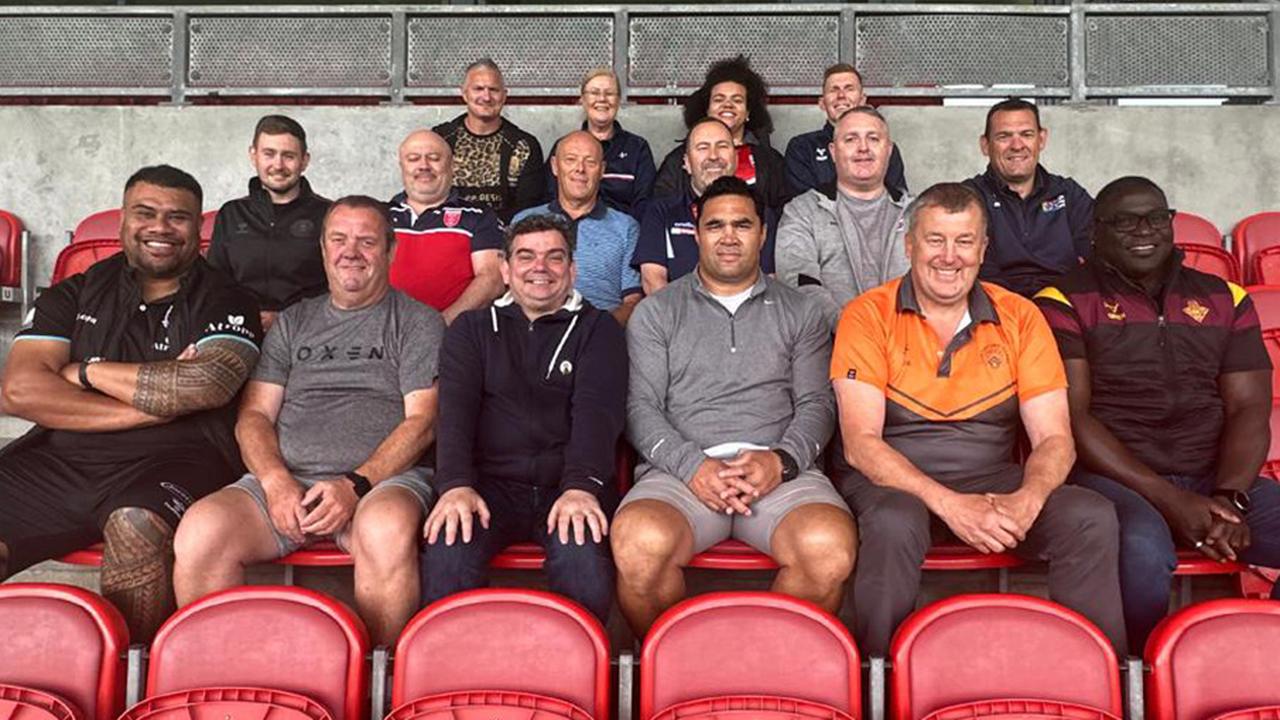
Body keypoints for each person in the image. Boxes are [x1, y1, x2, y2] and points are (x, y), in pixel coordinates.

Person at [830, 182, 1126, 657]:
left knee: (1089, 517)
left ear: (984, 248)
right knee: (894, 521)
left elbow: (1055, 438)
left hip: (991, 475)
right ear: (909, 244)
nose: (950, 257)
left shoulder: (1021, 317)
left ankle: (1094, 677)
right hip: (892, 478)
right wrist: (951, 505)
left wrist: (1030, 499)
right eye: (935, 240)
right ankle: (877, 675)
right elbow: (861, 444)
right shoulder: (867, 314)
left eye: (964, 241)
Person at [0, 165, 263, 641]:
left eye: (177, 217)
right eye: (145, 213)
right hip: (60, 458)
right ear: (123, 220)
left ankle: (130, 676)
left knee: (135, 524)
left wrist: (83, 372)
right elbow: (20, 391)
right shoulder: (74, 292)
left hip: (179, 458)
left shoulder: (227, 298)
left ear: (197, 230)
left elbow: (205, 385)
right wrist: (156, 403)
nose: (160, 227)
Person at [173, 196, 444, 646]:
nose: (350, 251)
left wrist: (355, 484)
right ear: (322, 250)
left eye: (367, 241)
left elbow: (422, 422)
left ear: (391, 251)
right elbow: (255, 415)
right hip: (287, 482)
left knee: (386, 530)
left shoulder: (418, 322)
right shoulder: (294, 322)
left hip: (381, 484)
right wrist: (276, 480)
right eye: (338, 239)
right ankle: (219, 682)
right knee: (201, 532)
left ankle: (382, 684)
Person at [1034, 176, 1280, 649]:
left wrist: (1229, 497)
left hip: (1213, 477)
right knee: (1142, 554)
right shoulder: (1062, 300)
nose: (1143, 231)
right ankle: (1141, 672)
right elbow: (1072, 417)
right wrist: (1170, 499)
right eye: (1124, 222)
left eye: (1155, 218)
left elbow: (1249, 406)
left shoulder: (1225, 298)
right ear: (1094, 233)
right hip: (1116, 479)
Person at [611, 176, 855, 637]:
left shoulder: (800, 310)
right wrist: (692, 466)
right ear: (697, 232)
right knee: (639, 544)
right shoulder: (657, 311)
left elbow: (816, 404)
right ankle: (684, 677)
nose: (728, 237)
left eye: (742, 225)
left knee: (828, 549)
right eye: (715, 225)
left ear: (763, 234)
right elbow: (639, 407)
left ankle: (760, 674)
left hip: (780, 472)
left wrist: (780, 462)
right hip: (680, 473)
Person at [421, 214, 626, 623]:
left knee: (582, 559)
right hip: (487, 487)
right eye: (526, 256)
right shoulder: (471, 329)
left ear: (572, 269)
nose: (540, 268)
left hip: (567, 484)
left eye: (554, 257)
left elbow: (597, 415)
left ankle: (579, 680)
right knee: (448, 551)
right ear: (505, 269)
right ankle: (450, 675)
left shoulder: (599, 328)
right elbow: (455, 415)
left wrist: (581, 487)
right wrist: (455, 485)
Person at [776, 107, 912, 331]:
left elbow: (932, 284)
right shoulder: (802, 211)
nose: (863, 148)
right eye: (850, 139)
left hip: (908, 348)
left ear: (888, 149)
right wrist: (853, 332)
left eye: (873, 138)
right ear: (833, 150)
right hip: (829, 349)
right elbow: (799, 284)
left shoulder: (918, 213)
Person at [207, 115, 330, 332]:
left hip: (308, 332)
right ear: (253, 156)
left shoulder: (329, 214)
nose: (278, 165)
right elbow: (215, 284)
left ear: (305, 161)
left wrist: (285, 320)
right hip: (239, 330)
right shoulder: (231, 213)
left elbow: (339, 287)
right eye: (269, 154)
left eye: (288, 156)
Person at [632, 118, 778, 295]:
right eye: (703, 148)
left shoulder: (760, 213)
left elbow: (768, 281)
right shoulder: (660, 212)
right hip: (677, 318)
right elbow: (653, 280)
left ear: (736, 157)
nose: (714, 156)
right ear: (686, 163)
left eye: (722, 146)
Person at [964, 98, 1093, 298]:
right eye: (1004, 136)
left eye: (1026, 134)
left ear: (1041, 140)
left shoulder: (1069, 194)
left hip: (1063, 304)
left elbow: (1093, 260)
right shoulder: (968, 198)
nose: (1017, 145)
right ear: (985, 145)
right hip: (995, 306)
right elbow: (974, 270)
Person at [516, 131, 642, 325]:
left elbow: (633, 301)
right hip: (532, 334)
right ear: (554, 166)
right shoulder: (524, 221)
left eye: (590, 162)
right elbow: (509, 291)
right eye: (571, 160)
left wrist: (594, 332)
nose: (580, 169)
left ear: (602, 170)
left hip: (599, 334)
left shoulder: (626, 228)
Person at [389, 129, 505, 324]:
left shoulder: (479, 217)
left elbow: (492, 279)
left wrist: (440, 325)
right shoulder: (379, 216)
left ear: (452, 165)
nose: (424, 165)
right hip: (386, 335)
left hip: (455, 334)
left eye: (434, 158)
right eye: (413, 158)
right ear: (402, 166)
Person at [651, 55, 792, 211]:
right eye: (719, 99)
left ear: (748, 112)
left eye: (737, 100)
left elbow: (784, 213)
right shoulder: (678, 159)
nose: (728, 105)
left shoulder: (770, 161)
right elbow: (661, 208)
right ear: (706, 109)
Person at [433, 58, 545, 224]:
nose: (486, 97)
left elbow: (527, 210)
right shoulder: (440, 139)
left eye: (493, 90)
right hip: (446, 232)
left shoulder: (524, 146)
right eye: (478, 89)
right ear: (464, 93)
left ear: (504, 96)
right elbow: (427, 195)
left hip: (503, 237)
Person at [545, 68, 656, 221]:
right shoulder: (564, 146)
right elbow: (549, 198)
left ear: (618, 100)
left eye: (610, 93)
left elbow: (645, 204)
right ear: (582, 99)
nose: (602, 99)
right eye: (594, 93)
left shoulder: (637, 148)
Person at [784, 64, 907, 198]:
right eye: (834, 90)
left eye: (849, 89)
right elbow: (803, 207)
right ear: (822, 103)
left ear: (862, 100)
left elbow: (897, 202)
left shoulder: (882, 146)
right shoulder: (802, 147)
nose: (841, 95)